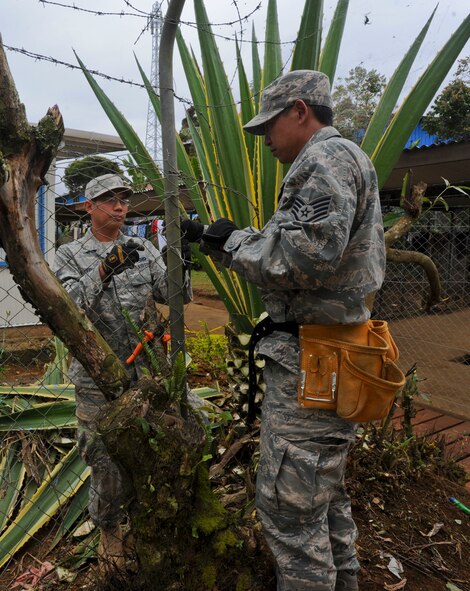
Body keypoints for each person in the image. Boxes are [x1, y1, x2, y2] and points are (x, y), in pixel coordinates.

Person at [180, 70, 386, 590]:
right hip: (331, 356)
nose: (264, 139)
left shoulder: (323, 160)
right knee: (324, 501)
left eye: (268, 126)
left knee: (291, 517)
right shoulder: (346, 159)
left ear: (299, 110)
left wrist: (230, 243)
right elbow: (304, 245)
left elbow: (303, 257)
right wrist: (218, 235)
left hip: (311, 367)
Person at [53, 173, 192, 572]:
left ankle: (149, 524)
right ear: (88, 207)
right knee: (103, 455)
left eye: (124, 199)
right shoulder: (68, 254)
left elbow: (173, 296)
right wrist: (102, 270)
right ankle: (110, 537)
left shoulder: (143, 247)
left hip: (144, 370)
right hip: (95, 375)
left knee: (153, 444)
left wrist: (181, 257)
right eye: (109, 199)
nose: (119, 206)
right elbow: (67, 309)